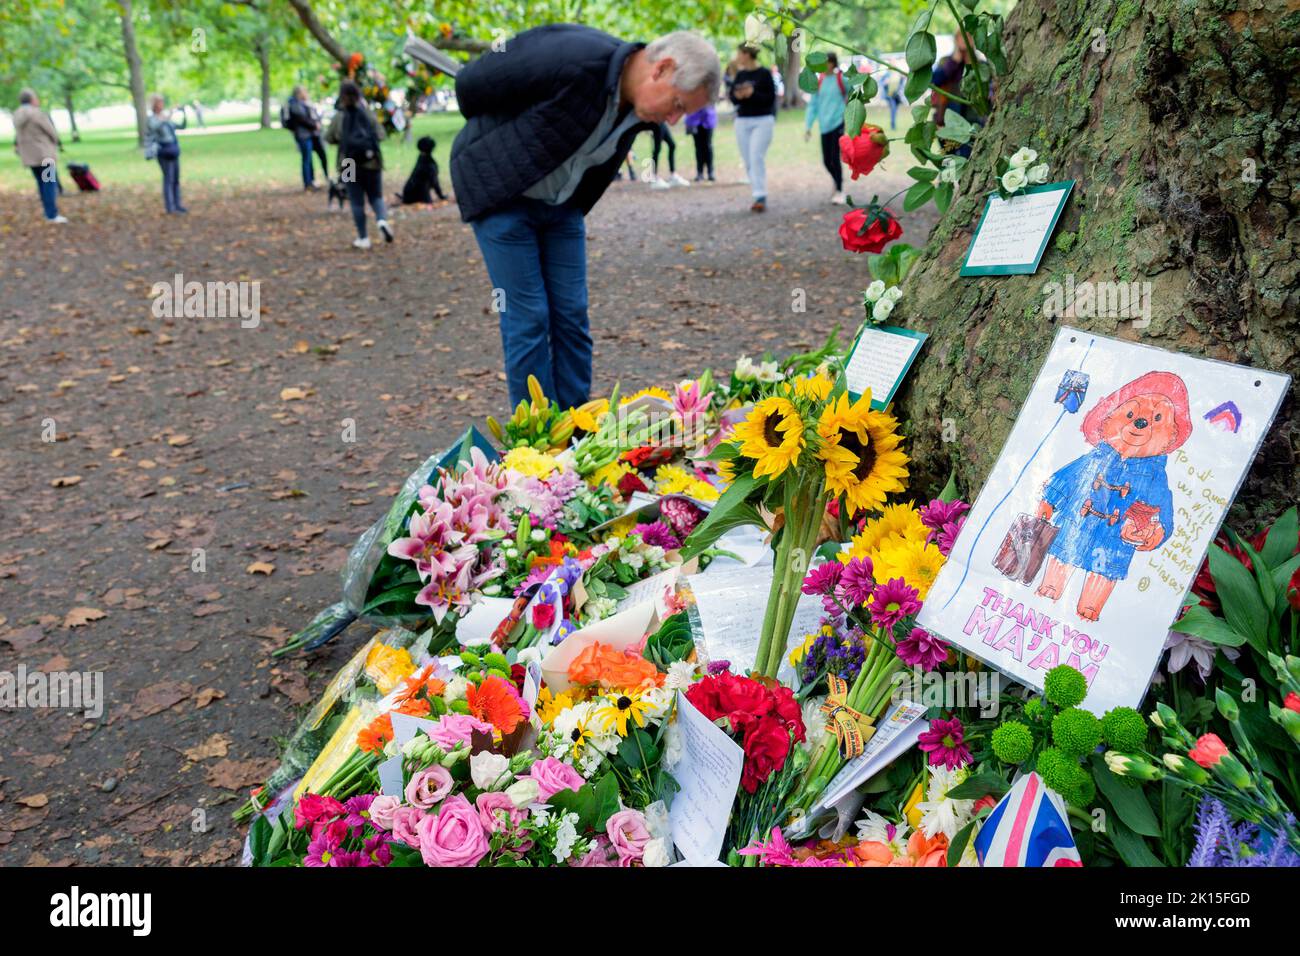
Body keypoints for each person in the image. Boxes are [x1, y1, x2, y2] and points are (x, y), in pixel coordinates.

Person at [451, 25, 718, 410]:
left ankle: (577, 434)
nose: (673, 120)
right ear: (661, 68)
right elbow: (473, 84)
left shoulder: (639, 110)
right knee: (528, 320)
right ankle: (537, 443)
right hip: (503, 200)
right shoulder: (574, 55)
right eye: (677, 105)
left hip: (562, 209)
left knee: (572, 317)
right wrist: (502, 149)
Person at [325, 80, 392, 249]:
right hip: (371, 161)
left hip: (348, 163)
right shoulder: (368, 114)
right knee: (376, 196)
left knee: (356, 202)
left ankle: (363, 238)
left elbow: (328, 137)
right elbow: (381, 134)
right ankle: (382, 221)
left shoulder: (339, 117)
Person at [728, 43, 776, 213]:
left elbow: (770, 99)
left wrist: (752, 94)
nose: (737, 57)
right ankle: (757, 192)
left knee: (756, 156)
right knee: (748, 160)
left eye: (739, 53)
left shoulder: (764, 74)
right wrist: (739, 96)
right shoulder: (740, 74)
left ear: (747, 54)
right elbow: (733, 97)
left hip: (762, 120)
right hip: (743, 121)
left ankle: (760, 196)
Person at [13, 88, 66, 223]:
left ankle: (48, 212)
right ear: (32, 99)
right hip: (45, 155)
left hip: (30, 156)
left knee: (42, 183)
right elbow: (51, 131)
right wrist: (56, 142)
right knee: (49, 183)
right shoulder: (37, 114)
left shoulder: (17, 115)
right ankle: (52, 215)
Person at [931, 33, 988, 157]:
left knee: (969, 158)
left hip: (973, 121)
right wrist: (954, 61)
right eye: (961, 36)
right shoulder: (946, 61)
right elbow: (935, 81)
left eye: (969, 37)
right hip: (946, 119)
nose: (965, 40)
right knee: (948, 160)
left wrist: (970, 63)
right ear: (956, 39)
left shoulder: (980, 64)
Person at [803, 51, 848, 204]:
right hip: (824, 125)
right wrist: (808, 126)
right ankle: (837, 182)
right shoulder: (819, 81)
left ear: (832, 63)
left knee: (835, 159)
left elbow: (852, 95)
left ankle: (840, 190)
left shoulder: (842, 79)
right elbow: (813, 105)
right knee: (826, 161)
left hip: (838, 123)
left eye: (826, 62)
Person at [145, 93, 187, 214]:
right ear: (154, 104)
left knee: (176, 179)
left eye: (162, 102)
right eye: (159, 102)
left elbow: (181, 126)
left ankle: (177, 204)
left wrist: (183, 113)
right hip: (163, 151)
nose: (162, 105)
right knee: (168, 178)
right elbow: (155, 127)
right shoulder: (152, 118)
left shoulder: (166, 117)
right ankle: (170, 207)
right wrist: (168, 116)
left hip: (173, 150)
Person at [285, 86, 322, 190]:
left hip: (308, 135)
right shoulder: (295, 105)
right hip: (303, 135)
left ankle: (311, 181)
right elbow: (302, 119)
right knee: (306, 159)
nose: (306, 93)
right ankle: (308, 183)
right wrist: (314, 125)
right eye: (304, 92)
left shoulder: (303, 103)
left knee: (309, 159)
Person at [397, 135, 447, 204]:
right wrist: (440, 196)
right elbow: (434, 181)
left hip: (409, 193)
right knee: (424, 182)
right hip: (416, 195)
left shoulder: (421, 159)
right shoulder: (429, 164)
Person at [649, 122, 689, 188]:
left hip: (662, 123)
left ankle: (673, 175)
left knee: (672, 145)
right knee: (657, 150)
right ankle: (654, 177)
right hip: (657, 123)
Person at [684, 103, 715, 181]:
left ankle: (710, 172)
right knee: (698, 147)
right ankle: (699, 172)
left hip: (708, 119)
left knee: (708, 146)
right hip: (694, 120)